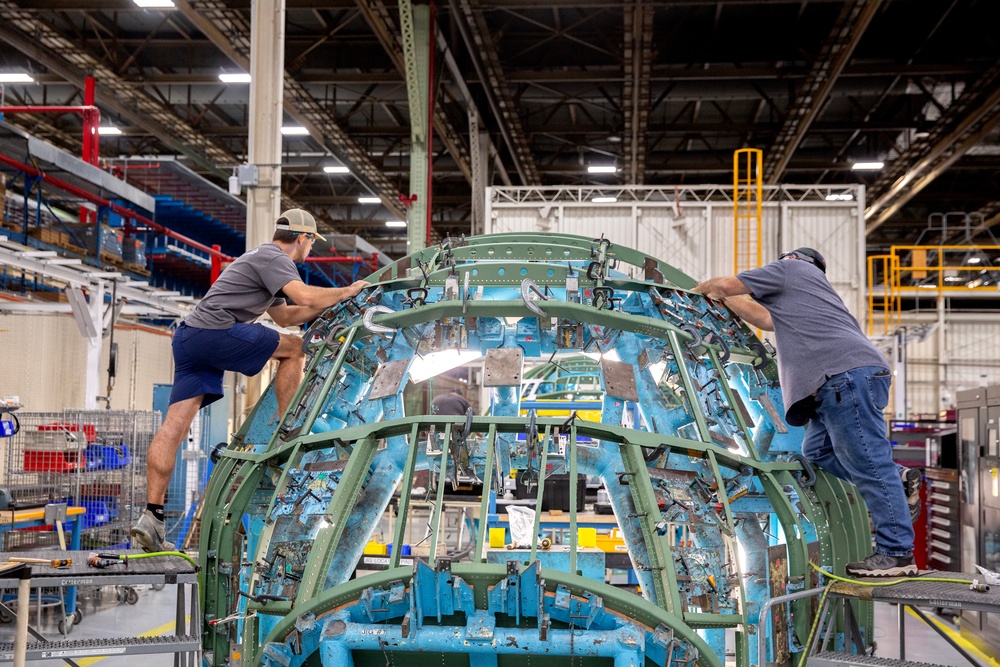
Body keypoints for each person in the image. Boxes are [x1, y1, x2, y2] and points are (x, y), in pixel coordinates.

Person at [131, 209, 367, 552]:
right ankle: (292, 434)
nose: (311, 250)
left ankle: (151, 517)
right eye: (312, 242)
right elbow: (303, 297)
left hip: (189, 339)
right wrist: (348, 292)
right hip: (214, 334)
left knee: (175, 427)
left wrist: (326, 307)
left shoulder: (258, 257)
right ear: (302, 238)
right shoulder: (275, 257)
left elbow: (285, 313)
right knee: (295, 351)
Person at [693, 247, 922, 577]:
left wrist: (702, 288)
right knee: (816, 450)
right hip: (839, 383)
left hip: (844, 379)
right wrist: (724, 300)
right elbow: (763, 318)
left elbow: (727, 285)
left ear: (793, 259)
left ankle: (897, 553)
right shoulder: (805, 298)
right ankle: (900, 480)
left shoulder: (792, 270)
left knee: (871, 464)